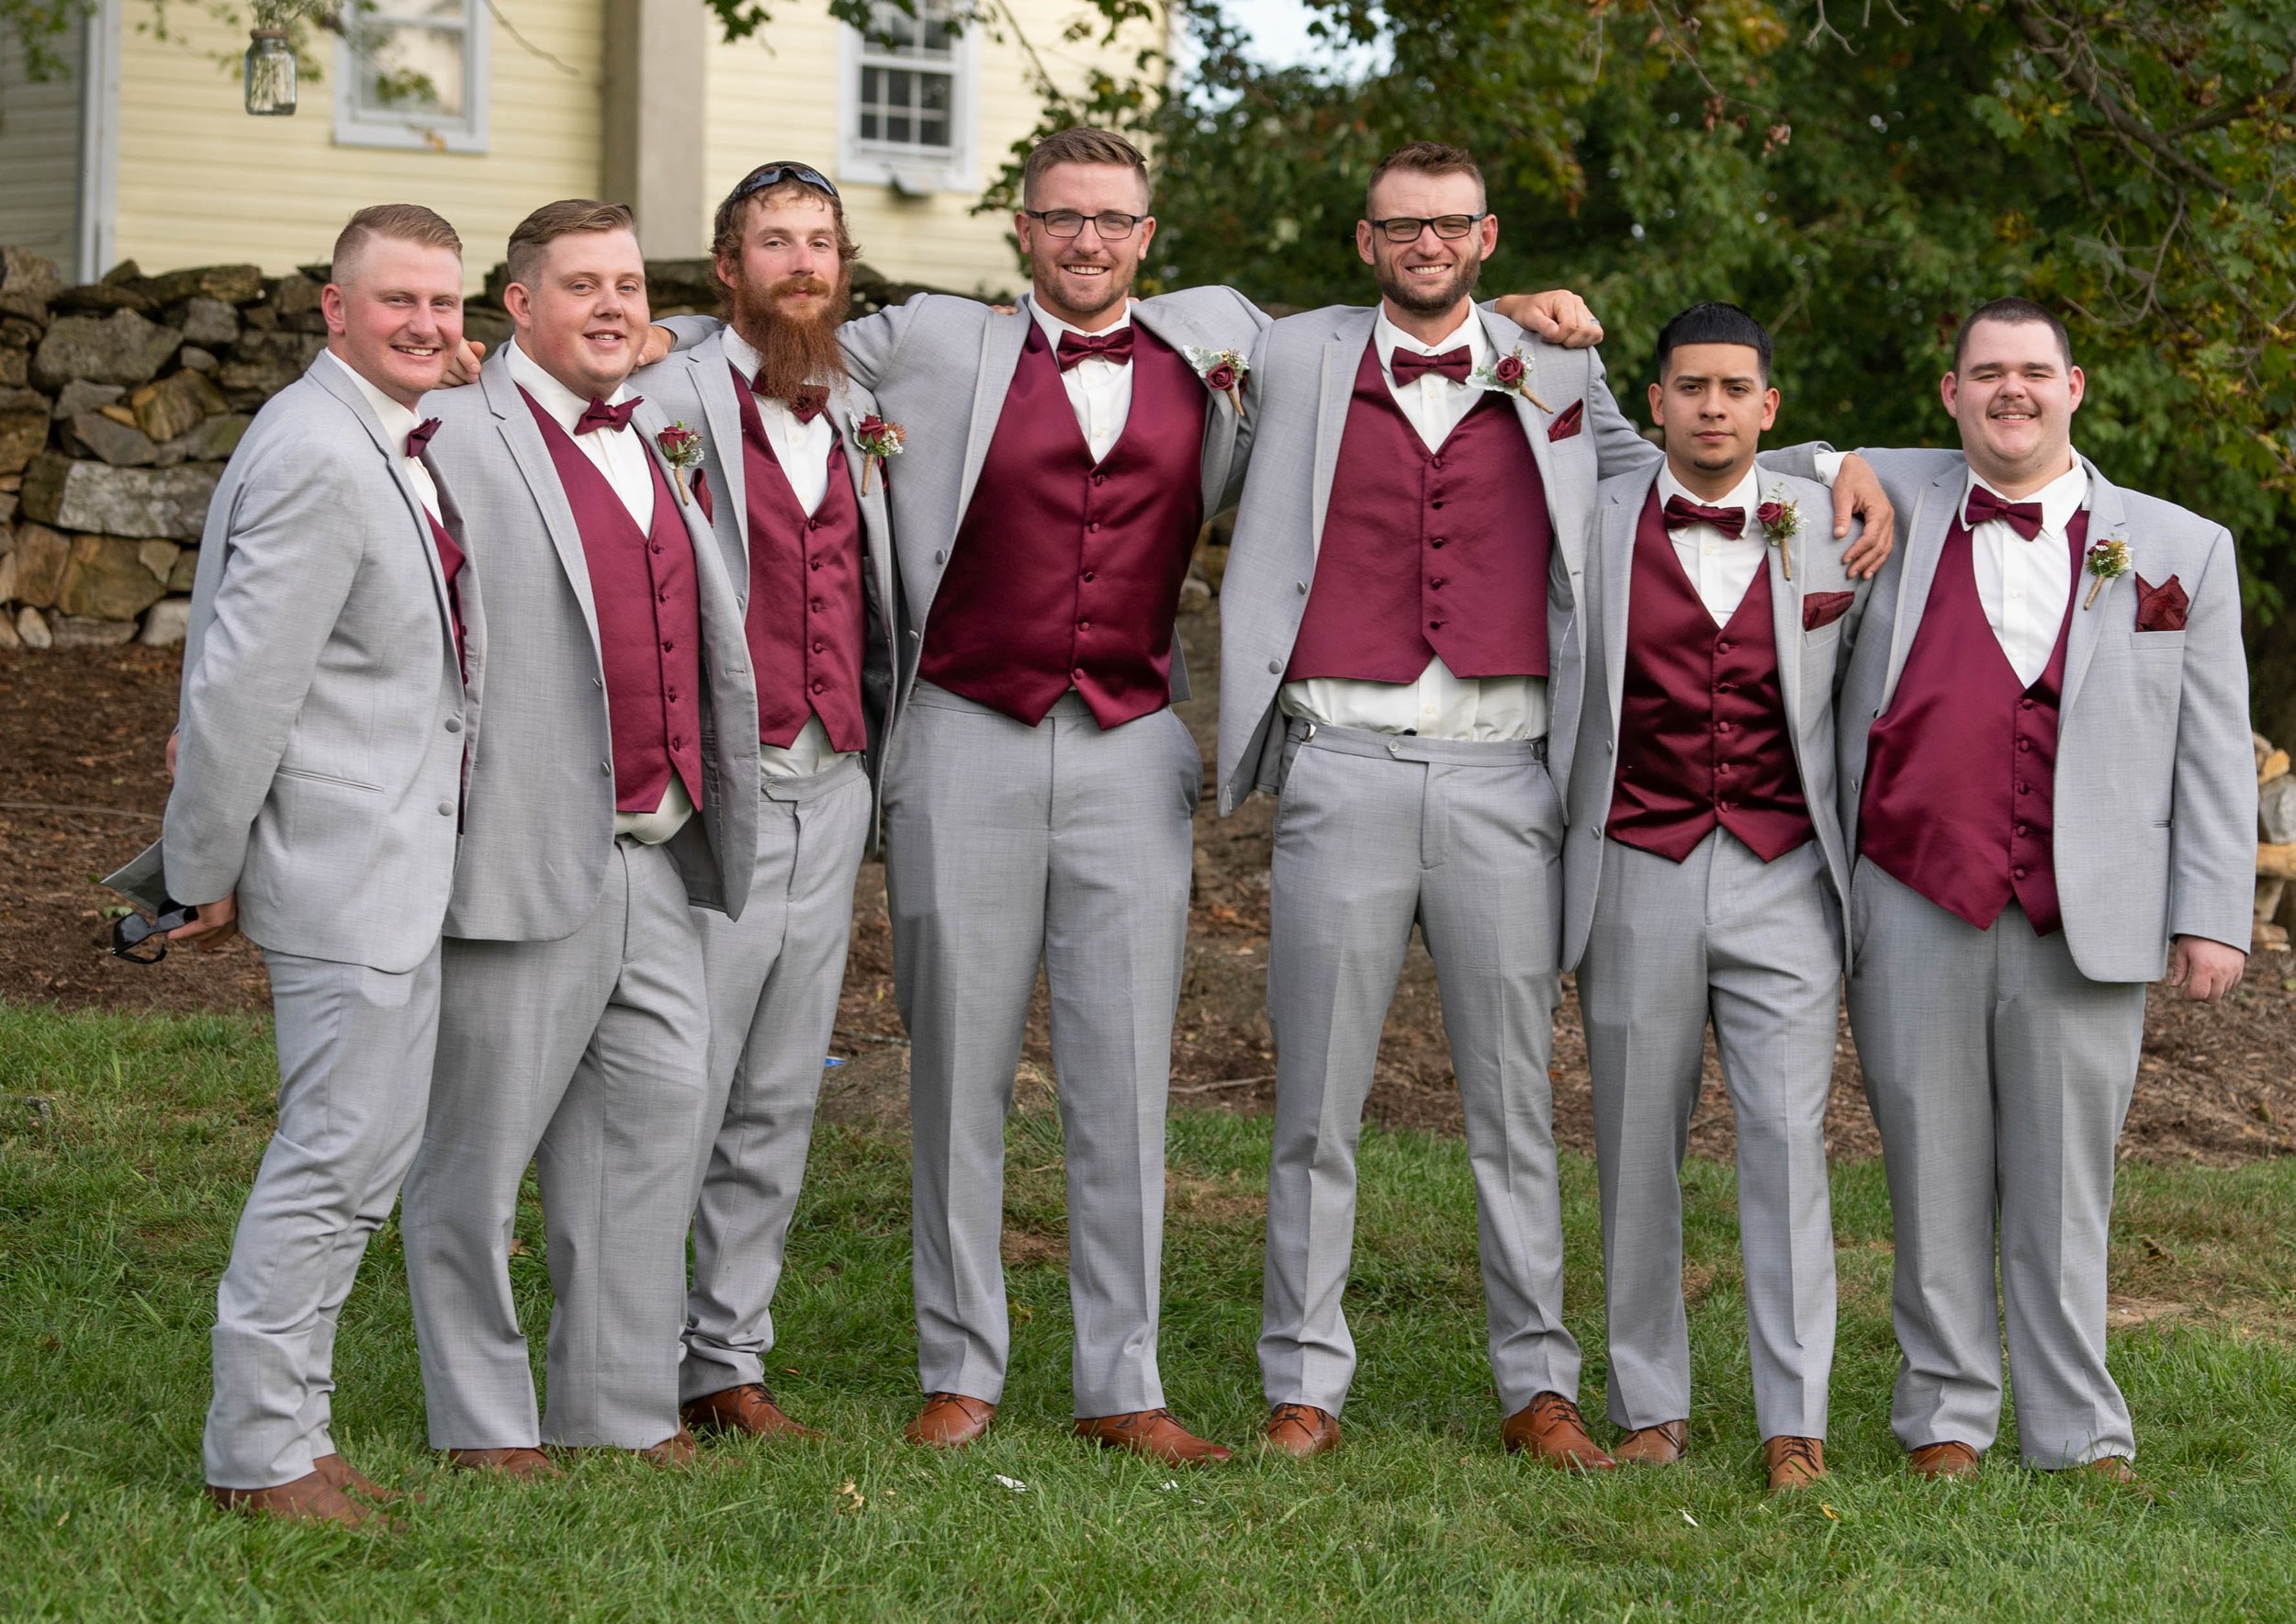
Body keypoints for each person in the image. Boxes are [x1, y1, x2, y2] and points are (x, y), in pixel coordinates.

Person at [647, 128, 1603, 1463]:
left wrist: (1507, 309)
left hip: (1132, 740)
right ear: (1022, 231)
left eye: (1112, 219)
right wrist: (651, 330)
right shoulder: (932, 339)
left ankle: (1121, 1380)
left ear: (1150, 238)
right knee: (959, 1072)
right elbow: (776, 335)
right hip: (963, 732)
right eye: (1061, 218)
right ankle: (961, 1364)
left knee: (1123, 1076)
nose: (1087, 241)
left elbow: (1401, 314)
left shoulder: (1219, 341)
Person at [1213, 144, 1893, 1462]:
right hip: (1342, 761)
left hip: (1507, 771)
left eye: (1450, 225)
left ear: (1488, 237)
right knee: (1317, 1104)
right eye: (1402, 227)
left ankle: (1539, 1384)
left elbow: (1705, 458)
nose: (1426, 244)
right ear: (1364, 243)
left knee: (1514, 1103)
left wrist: (1849, 453)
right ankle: (1304, 1380)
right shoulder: (1291, 357)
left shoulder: (1562, 373)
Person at [1771, 298, 2254, 1484]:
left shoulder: (2180, 548)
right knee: (1929, 1168)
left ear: (2075, 387)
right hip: (1912, 892)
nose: (2011, 392)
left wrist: (2210, 913)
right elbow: (1758, 461)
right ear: (1951, 396)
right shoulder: (1886, 509)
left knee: (2063, 1183)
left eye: (2034, 372)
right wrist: (1843, 462)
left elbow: (2210, 743)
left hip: (2089, 907)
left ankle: (2077, 1429)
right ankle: (1944, 1416)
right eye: (1986, 373)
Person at [400, 200, 760, 1475]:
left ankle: (616, 1408)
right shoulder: (454, 436)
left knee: (650, 1137)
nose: (611, 306)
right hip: (514, 855)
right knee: (475, 1161)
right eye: (580, 286)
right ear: (519, 306)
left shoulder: (652, 432)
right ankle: (483, 1427)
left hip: (659, 848)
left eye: (625, 284)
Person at [165, 203, 478, 1526]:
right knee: (330, 1162)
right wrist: (198, 868)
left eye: (444, 305)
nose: (424, 325)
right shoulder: (318, 451)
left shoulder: (384, 433)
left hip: (392, 861)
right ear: (332, 309)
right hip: (348, 865)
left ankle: (299, 1427)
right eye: (396, 301)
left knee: (359, 1163)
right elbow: (238, 691)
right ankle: (257, 1458)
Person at [1562, 302, 1866, 1494]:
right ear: (1656, 401)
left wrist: (1846, 466)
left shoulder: (1832, 528)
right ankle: (1649, 1403)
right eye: (1691, 387)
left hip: (1786, 871)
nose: (1713, 407)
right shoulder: (1594, 519)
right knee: (1637, 1144)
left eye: (1735, 389)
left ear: (1770, 409)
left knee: (1788, 1145)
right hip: (1636, 859)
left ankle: (1796, 1419)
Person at [629, 163, 896, 1444]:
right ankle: (628, 1359)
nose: (801, 264)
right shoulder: (658, 390)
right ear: (725, 268)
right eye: (773, 243)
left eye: (820, 243)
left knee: (782, 1088)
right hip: (713, 793)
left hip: (836, 779)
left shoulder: (865, 400)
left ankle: (725, 1359)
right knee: (680, 1081)